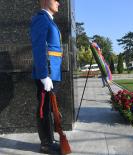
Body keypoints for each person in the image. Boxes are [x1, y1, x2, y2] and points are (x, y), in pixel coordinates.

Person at [30, 0, 62, 154]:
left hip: (53, 72)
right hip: (47, 73)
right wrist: (44, 75)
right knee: (44, 108)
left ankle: (50, 139)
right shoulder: (41, 19)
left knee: (49, 107)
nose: (59, 3)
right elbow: (39, 47)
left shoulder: (48, 20)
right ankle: (46, 144)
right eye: (56, 0)